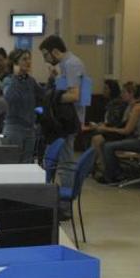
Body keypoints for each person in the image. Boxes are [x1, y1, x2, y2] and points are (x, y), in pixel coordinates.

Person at [40, 35, 87, 192]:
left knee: (66, 162)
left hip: (68, 120)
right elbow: (63, 89)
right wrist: (54, 78)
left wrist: (53, 98)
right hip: (63, 119)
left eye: (46, 55)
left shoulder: (72, 64)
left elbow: (75, 95)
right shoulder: (66, 64)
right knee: (58, 159)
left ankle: (66, 199)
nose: (46, 60)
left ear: (54, 51)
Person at [92, 84, 140, 184]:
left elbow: (127, 130)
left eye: (124, 92)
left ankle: (114, 175)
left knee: (108, 146)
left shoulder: (138, 108)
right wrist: (107, 128)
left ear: (131, 94)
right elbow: (122, 126)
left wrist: (107, 129)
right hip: (135, 139)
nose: (121, 95)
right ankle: (114, 172)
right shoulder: (130, 106)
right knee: (103, 142)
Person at [2, 49, 45, 163]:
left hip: (30, 129)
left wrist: (52, 79)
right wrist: (16, 76)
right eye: (24, 59)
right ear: (15, 63)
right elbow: (11, 98)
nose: (28, 62)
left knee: (27, 164)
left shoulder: (31, 80)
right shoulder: (8, 81)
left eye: (29, 59)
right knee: (13, 164)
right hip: (14, 129)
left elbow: (44, 95)